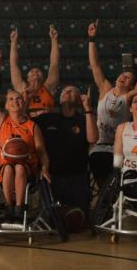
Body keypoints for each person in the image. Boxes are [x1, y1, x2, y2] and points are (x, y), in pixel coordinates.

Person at [0, 63, 51, 223]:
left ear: (23, 103)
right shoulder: (2, 119)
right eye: (11, 99)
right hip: (6, 166)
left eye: (18, 99)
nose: (15, 101)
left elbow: (42, 152)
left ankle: (20, 207)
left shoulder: (32, 126)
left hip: (28, 167)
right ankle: (9, 207)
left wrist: (44, 168)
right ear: (6, 105)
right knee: (10, 168)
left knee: (18, 167)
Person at [86, 20, 137, 187]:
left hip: (119, 145)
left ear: (131, 85)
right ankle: (103, 202)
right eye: (122, 75)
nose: (123, 77)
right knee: (98, 169)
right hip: (100, 144)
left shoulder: (129, 96)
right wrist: (91, 39)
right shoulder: (105, 89)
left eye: (128, 77)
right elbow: (95, 65)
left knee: (116, 177)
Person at [34, 86, 98, 221]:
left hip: (77, 176)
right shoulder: (47, 118)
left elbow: (92, 139)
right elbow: (24, 123)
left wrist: (88, 109)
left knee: (79, 217)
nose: (66, 92)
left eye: (71, 91)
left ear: (79, 99)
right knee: (52, 219)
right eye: (63, 91)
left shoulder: (84, 118)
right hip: (52, 176)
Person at [9, 25, 60, 117]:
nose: (35, 72)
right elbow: (14, 65)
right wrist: (13, 42)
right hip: (27, 124)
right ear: (27, 78)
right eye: (32, 71)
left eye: (38, 71)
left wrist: (54, 40)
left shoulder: (48, 87)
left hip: (46, 123)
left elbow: (54, 63)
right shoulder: (22, 88)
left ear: (43, 77)